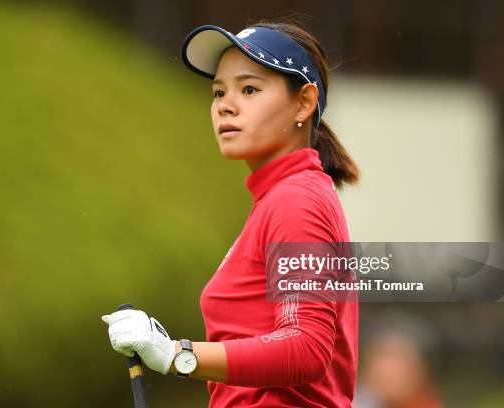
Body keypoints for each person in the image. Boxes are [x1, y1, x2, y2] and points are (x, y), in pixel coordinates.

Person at [102, 18, 360, 407]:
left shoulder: (297, 200)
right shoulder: (280, 199)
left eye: (249, 89)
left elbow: (306, 346)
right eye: (218, 91)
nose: (225, 105)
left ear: (303, 103)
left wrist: (177, 354)